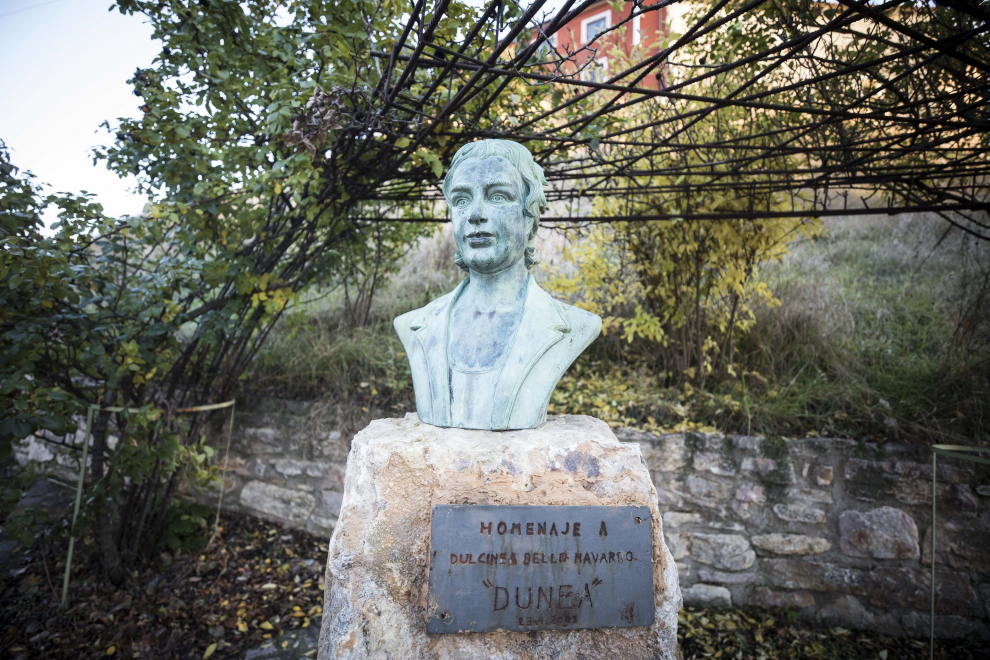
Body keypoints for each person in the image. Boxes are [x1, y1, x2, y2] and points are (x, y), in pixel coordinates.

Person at [394, 140, 601, 430]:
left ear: (530, 218)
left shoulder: (575, 325)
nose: (475, 214)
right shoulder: (415, 325)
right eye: (462, 200)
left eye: (498, 197)